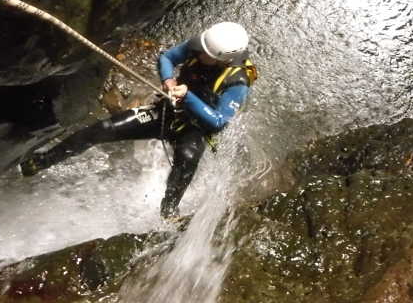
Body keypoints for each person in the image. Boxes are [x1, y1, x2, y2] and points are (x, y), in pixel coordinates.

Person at [19, 22, 257, 218]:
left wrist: (188, 97)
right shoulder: (204, 44)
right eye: (202, 49)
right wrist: (168, 81)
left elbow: (218, 122)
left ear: (224, 59)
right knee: (102, 129)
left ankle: (169, 210)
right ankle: (42, 161)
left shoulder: (237, 82)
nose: (200, 53)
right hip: (169, 110)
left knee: (187, 158)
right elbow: (167, 58)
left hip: (196, 127)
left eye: (207, 53)